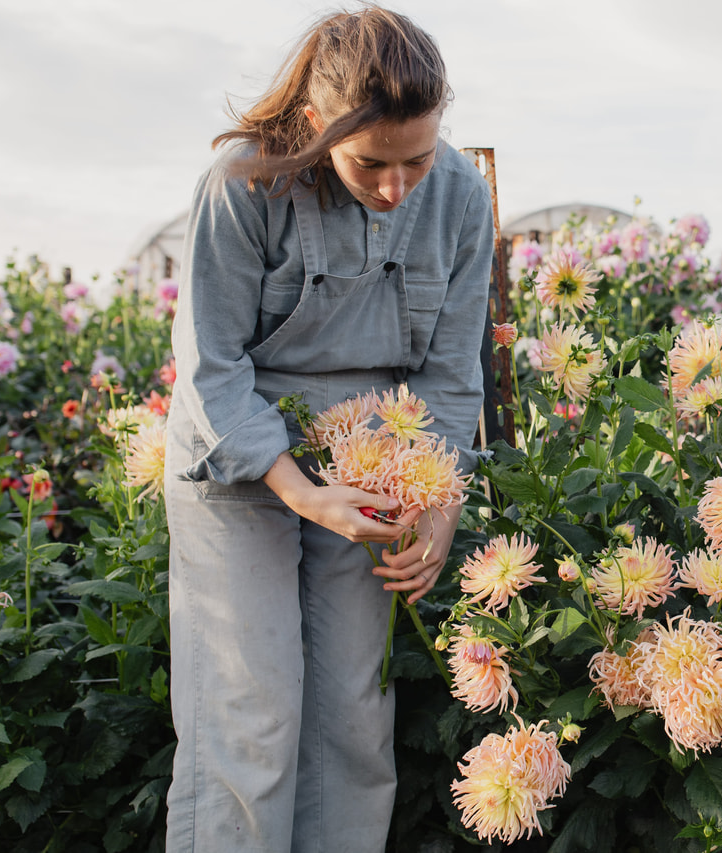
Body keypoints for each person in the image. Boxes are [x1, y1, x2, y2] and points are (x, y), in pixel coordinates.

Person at [162, 7, 493, 851]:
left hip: (374, 462)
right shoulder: (243, 184)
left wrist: (440, 504)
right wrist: (301, 491)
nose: (396, 187)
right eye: (369, 162)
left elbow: (453, 374)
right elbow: (211, 365)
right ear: (315, 126)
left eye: (417, 159)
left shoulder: (461, 195)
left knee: (353, 717)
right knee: (250, 715)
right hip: (240, 460)